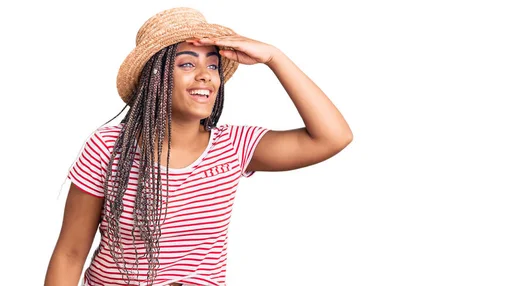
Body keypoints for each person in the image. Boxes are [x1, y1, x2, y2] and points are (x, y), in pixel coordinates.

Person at [44, 7, 352, 286]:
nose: (205, 75)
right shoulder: (109, 148)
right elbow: (70, 255)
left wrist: (274, 57)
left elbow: (333, 137)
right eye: (187, 64)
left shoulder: (233, 147)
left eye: (214, 66)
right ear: (156, 77)